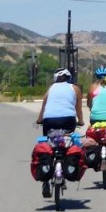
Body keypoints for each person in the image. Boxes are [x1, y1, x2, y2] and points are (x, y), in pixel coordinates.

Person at [35, 68, 83, 199]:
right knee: (68, 142)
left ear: (55, 78)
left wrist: (39, 120)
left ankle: (45, 181)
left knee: (47, 143)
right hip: (68, 119)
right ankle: (66, 163)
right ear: (69, 78)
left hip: (49, 120)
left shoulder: (50, 89)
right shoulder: (75, 88)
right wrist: (81, 121)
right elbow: (78, 108)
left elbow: (44, 107)